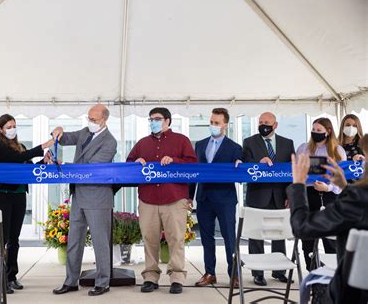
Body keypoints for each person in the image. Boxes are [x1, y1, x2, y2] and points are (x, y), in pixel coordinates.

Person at [288, 134, 368, 304]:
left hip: (352, 294)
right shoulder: (357, 198)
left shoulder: (358, 199)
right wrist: (344, 187)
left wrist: (298, 185)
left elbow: (302, 227)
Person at [126, 107, 197, 294]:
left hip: (174, 199)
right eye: (150, 119)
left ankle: (177, 278)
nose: (153, 122)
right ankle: (150, 277)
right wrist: (136, 162)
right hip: (148, 199)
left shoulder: (181, 141)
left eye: (156, 119)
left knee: (176, 239)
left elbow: (193, 166)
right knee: (149, 239)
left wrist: (174, 160)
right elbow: (127, 165)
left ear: (167, 121)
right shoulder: (142, 143)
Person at [51, 104, 117, 297]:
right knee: (74, 241)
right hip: (78, 195)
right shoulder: (85, 132)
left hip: (97, 197)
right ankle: (71, 281)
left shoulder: (110, 142)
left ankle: (103, 282)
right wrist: (59, 132)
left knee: (100, 242)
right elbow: (66, 138)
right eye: (89, 118)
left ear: (104, 120)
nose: (90, 122)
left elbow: (92, 168)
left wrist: (65, 166)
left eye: (94, 120)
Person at [0, 114, 54, 293]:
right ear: (0, 130)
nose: (12, 129)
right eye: (9, 127)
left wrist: (43, 161)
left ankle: (11, 276)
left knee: (14, 239)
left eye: (14, 126)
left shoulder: (21, 147)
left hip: (19, 196)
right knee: (0, 239)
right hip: (3, 196)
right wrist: (43, 146)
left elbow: (28, 168)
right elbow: (17, 159)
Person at [189, 108, 242, 288]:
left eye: (217, 123)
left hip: (225, 199)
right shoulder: (200, 145)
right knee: (206, 238)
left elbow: (241, 171)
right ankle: (210, 273)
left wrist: (241, 165)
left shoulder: (235, 148)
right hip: (203, 198)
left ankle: (234, 274)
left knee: (229, 238)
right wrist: (190, 196)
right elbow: (195, 172)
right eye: (211, 122)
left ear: (225, 125)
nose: (213, 125)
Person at [242, 111, 294, 286]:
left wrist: (289, 195)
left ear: (275, 125)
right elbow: (245, 164)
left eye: (267, 122)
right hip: (258, 195)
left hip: (280, 196)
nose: (263, 124)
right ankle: (258, 273)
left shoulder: (288, 144)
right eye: (260, 121)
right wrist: (258, 163)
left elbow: (290, 172)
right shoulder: (249, 142)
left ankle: (279, 271)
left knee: (279, 234)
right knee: (256, 235)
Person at [296, 117, 347, 271]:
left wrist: (329, 188)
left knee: (330, 238)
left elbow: (341, 177)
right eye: (313, 129)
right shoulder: (303, 148)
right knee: (308, 238)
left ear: (328, 131)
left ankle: (332, 274)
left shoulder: (338, 150)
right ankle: (312, 273)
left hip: (329, 195)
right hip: (307, 194)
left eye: (319, 130)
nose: (315, 132)